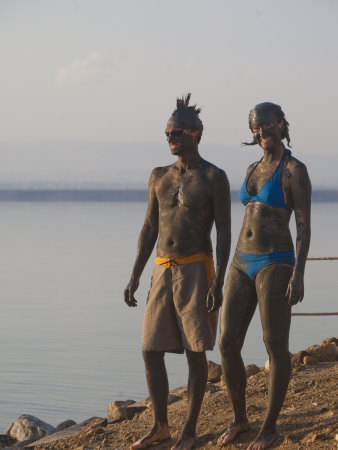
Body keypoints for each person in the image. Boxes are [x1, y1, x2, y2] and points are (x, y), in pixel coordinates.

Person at [124, 93, 231, 450]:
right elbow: (148, 229)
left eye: (177, 132)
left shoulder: (214, 177)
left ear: (196, 133)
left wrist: (220, 281)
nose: (170, 137)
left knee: (195, 350)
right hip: (161, 268)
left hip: (197, 268)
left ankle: (188, 431)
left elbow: (225, 233)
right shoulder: (158, 176)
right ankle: (160, 426)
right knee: (150, 348)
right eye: (167, 131)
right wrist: (135, 275)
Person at [218, 102, 311, 449]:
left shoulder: (293, 170)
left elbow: (303, 227)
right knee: (227, 343)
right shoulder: (251, 166)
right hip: (241, 262)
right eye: (255, 130)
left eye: (267, 127)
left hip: (276, 261)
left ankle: (270, 427)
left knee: (275, 346)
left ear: (282, 126)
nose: (261, 134)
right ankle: (241, 419)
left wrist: (299, 274)